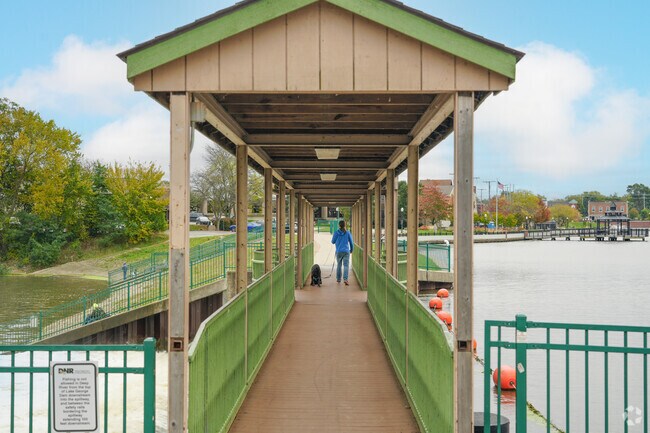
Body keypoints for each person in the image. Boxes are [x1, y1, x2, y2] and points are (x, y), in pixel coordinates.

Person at [331, 220, 354, 285]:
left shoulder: (336, 233)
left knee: (339, 265)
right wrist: (351, 250)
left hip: (338, 251)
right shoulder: (348, 233)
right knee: (346, 265)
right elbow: (351, 243)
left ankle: (338, 279)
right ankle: (345, 279)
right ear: (345, 225)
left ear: (339, 225)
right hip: (346, 251)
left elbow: (332, 241)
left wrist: (338, 241)